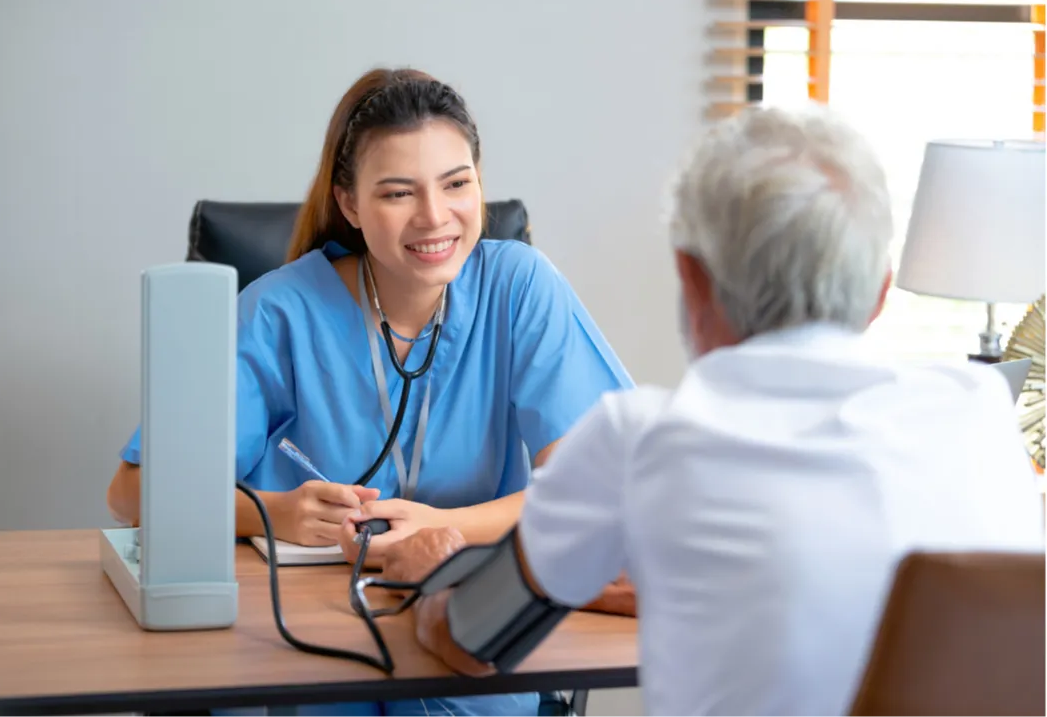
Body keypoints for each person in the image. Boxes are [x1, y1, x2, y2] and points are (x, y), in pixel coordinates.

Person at [371, 104, 1046, 717]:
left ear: (691, 277)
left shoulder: (638, 438)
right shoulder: (980, 411)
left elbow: (474, 641)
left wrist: (436, 595)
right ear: (880, 293)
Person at [105, 67, 635, 717]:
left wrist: (444, 527)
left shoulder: (520, 287)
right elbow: (131, 490)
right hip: (307, 645)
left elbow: (595, 484)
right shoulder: (281, 310)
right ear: (350, 204)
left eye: (456, 183)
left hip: (464, 643)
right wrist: (276, 511)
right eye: (397, 193)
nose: (435, 217)